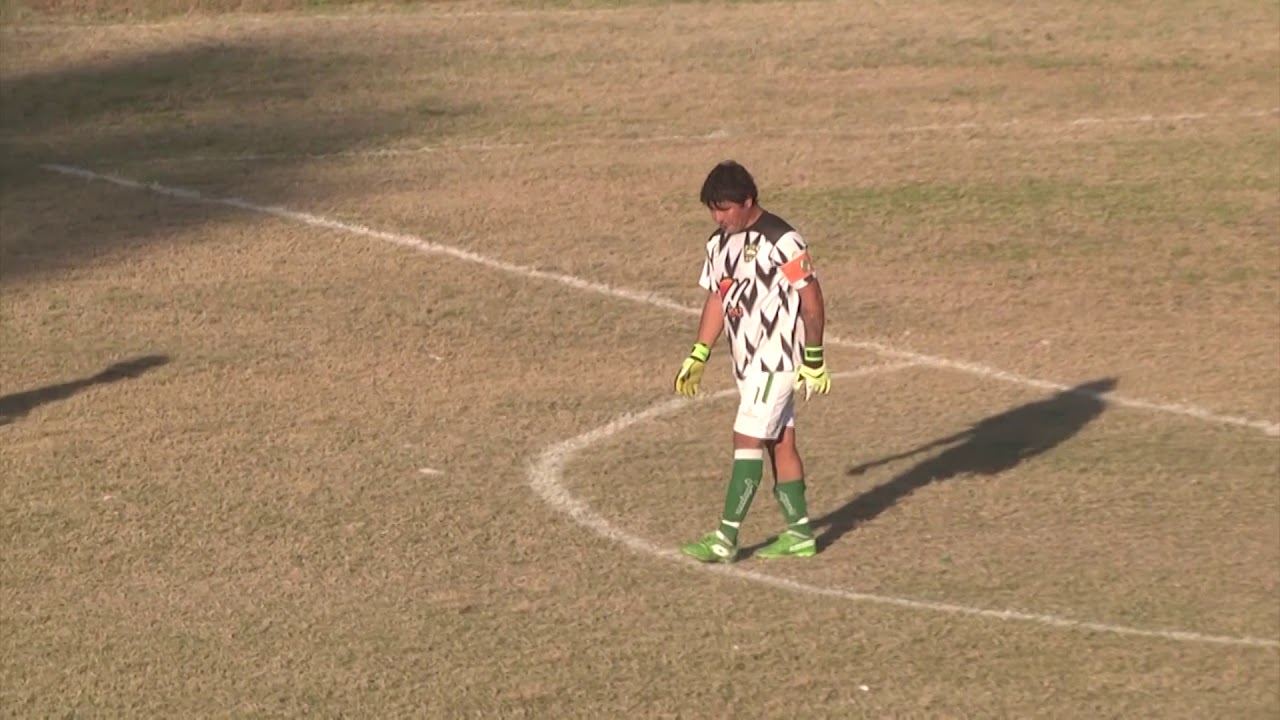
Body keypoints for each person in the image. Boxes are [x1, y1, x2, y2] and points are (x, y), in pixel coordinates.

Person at [673, 160, 831, 563]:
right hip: (746, 363)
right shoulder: (717, 244)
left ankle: (725, 538)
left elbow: (811, 302)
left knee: (746, 438)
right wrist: (699, 352)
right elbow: (717, 297)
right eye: (712, 208)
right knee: (781, 442)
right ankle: (799, 535)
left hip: (776, 360)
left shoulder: (784, 240)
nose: (718, 216)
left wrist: (814, 357)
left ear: (748, 201)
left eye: (725, 208)